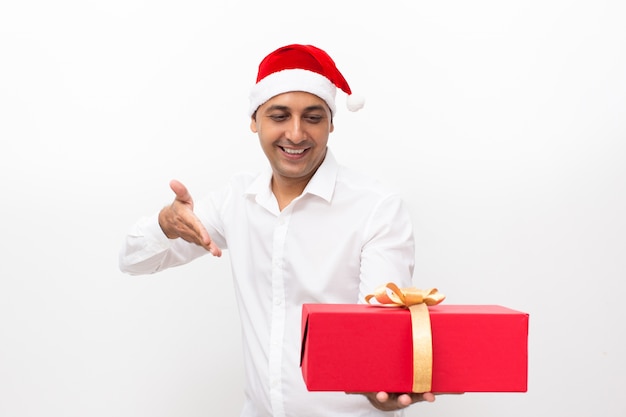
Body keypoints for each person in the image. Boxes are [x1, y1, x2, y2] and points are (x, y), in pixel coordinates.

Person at [119, 44, 435, 417]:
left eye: (313, 117)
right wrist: (165, 224)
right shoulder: (237, 200)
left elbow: (380, 330)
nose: (296, 133)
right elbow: (133, 261)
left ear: (331, 123)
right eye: (279, 116)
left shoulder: (376, 209)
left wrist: (378, 386)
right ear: (255, 120)